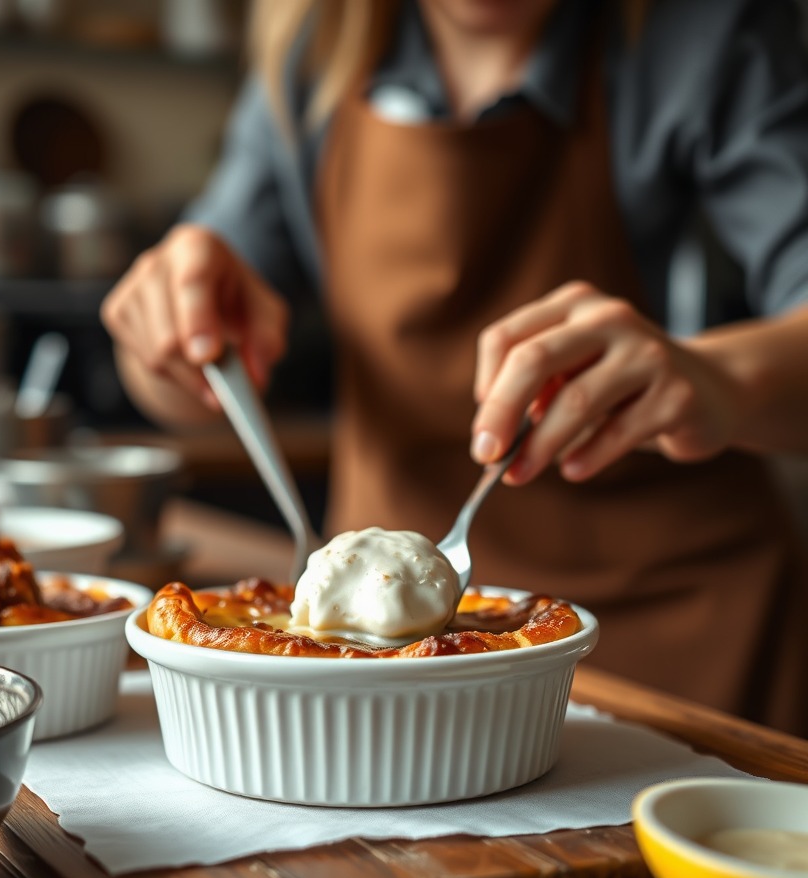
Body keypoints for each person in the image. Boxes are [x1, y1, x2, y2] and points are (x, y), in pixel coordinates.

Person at [101, 0, 808, 737]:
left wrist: (718, 380)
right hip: (368, 653)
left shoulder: (702, 30)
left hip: (684, 645)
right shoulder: (315, 47)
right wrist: (166, 335)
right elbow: (179, 380)